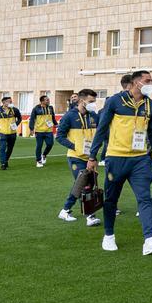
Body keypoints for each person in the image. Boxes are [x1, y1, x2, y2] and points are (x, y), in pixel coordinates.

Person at [87, 70, 152, 255]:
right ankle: (108, 235)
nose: (150, 83)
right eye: (147, 80)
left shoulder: (151, 105)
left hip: (140, 159)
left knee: (145, 198)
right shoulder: (115, 101)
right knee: (112, 199)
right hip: (116, 158)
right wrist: (93, 156)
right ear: (136, 82)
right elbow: (101, 129)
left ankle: (149, 240)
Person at [56, 89, 101, 225]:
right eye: (91, 101)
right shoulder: (69, 116)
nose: (93, 104)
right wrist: (74, 146)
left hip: (90, 157)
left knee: (86, 184)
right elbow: (59, 136)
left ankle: (65, 210)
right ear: (82, 101)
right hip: (75, 157)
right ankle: (90, 216)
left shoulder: (93, 116)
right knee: (84, 183)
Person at [0, 96, 22, 170]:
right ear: (4, 102)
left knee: (10, 148)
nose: (11, 103)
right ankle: (3, 164)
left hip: (12, 133)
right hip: (2, 133)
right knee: (2, 148)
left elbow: (20, 118)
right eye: (9, 101)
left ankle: (6, 160)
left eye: (11, 101)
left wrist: (16, 124)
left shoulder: (14, 109)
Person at [30, 95, 56, 167]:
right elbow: (32, 119)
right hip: (39, 131)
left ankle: (44, 155)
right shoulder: (36, 108)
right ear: (42, 101)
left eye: (48, 99)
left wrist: (56, 124)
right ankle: (38, 161)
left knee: (50, 144)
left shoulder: (50, 108)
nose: (48, 101)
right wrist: (31, 128)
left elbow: (53, 117)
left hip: (49, 130)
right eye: (47, 100)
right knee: (39, 146)